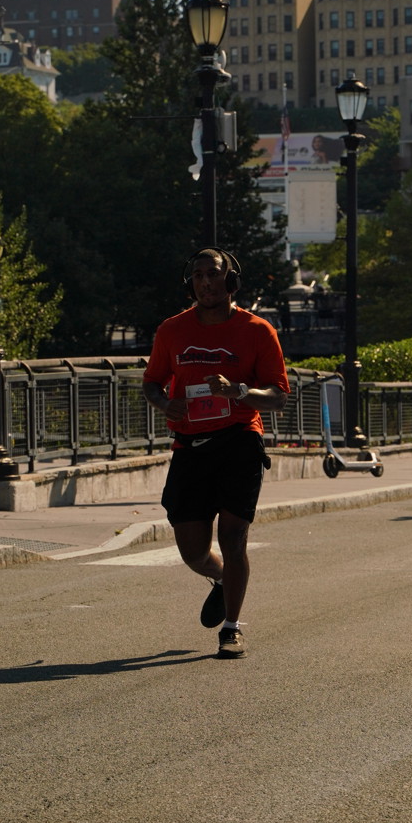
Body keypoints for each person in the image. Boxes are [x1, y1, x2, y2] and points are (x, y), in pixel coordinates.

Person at [143, 248, 290, 659]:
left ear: (231, 280)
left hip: (239, 440)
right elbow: (152, 382)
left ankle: (231, 628)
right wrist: (164, 403)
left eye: (213, 273)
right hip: (190, 447)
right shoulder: (172, 330)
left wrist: (238, 391)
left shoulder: (257, 330)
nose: (206, 282)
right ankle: (224, 579)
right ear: (190, 283)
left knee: (233, 536)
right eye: (198, 276)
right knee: (192, 550)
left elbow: (278, 396)